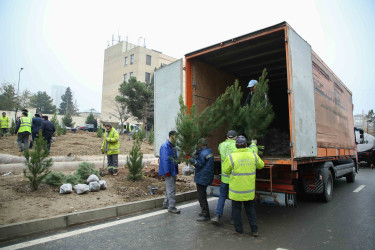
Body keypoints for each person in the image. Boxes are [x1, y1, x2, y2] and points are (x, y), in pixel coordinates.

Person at [222, 135, 264, 237]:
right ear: (246, 145)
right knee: (250, 210)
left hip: (236, 191)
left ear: (236, 146)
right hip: (248, 190)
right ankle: (254, 230)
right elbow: (261, 165)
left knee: (236, 211)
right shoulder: (253, 155)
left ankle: (239, 230)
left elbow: (225, 170)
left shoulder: (231, 157)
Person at [211, 130, 237, 224]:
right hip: (233, 177)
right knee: (234, 198)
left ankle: (218, 215)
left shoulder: (221, 145)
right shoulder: (236, 145)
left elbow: (219, 151)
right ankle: (233, 218)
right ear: (236, 137)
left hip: (224, 177)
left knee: (222, 196)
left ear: (226, 137)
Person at [189, 138, 214, 221]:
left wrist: (190, 158)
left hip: (202, 177)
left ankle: (205, 214)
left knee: (201, 196)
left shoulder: (203, 153)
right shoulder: (209, 151)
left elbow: (198, 164)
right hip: (206, 176)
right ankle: (204, 211)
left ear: (201, 145)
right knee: (202, 195)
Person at [159, 130, 180, 214]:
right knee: (171, 189)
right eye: (176, 137)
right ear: (171, 136)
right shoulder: (165, 146)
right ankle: (171, 206)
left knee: (169, 188)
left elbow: (173, 158)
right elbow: (165, 160)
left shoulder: (172, 146)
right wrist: (167, 171)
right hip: (169, 171)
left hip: (172, 170)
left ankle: (166, 203)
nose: (177, 139)